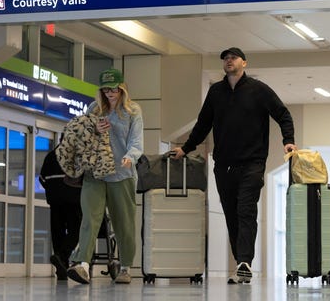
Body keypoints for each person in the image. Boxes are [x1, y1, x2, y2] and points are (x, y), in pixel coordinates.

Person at [170, 47, 297, 284]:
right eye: (225, 59)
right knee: (231, 214)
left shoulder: (259, 90)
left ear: (244, 63)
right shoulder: (216, 92)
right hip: (224, 165)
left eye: (233, 58)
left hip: (253, 163)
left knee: (246, 209)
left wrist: (288, 141)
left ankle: (244, 262)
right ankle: (242, 263)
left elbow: (283, 114)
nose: (228, 61)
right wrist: (186, 148)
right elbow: (203, 123)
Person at [67, 68, 143, 285]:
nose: (110, 94)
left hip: (123, 174)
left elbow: (136, 141)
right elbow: (82, 135)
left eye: (115, 90)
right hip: (96, 173)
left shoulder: (133, 110)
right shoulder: (94, 109)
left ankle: (126, 267)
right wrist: (96, 129)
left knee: (124, 223)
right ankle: (82, 265)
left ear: (122, 89)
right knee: (90, 219)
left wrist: (131, 157)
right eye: (106, 90)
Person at [39, 145, 82, 280]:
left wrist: (54, 189)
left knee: (57, 231)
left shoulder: (51, 156)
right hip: (73, 199)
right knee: (77, 230)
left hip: (54, 200)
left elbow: (42, 179)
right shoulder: (78, 156)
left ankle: (61, 267)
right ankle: (62, 256)